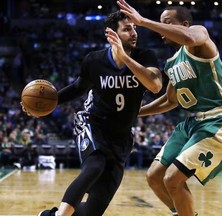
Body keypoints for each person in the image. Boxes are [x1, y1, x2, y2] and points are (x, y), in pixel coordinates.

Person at [22, 10, 162, 216]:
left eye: (134, 28)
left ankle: (48, 215)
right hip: (92, 123)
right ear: (112, 35)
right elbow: (79, 87)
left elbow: (155, 86)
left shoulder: (146, 57)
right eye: (127, 29)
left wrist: (126, 58)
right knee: (95, 165)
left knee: (92, 211)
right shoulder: (94, 61)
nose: (134, 33)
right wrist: (47, 105)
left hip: (121, 136)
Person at [117, 0, 222, 215]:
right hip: (193, 123)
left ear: (184, 24)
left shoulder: (199, 36)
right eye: (161, 23)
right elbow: (170, 101)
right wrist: (135, 112)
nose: (162, 29)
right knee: (155, 177)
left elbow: (188, 37)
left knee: (173, 178)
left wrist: (144, 22)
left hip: (221, 120)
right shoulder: (172, 62)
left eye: (167, 23)